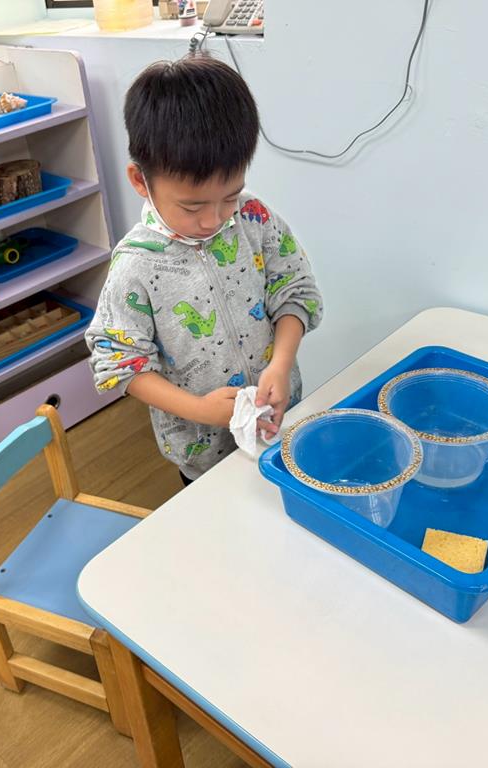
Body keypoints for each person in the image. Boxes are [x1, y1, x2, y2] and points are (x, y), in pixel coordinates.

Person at [85, 54, 323, 484]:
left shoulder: (253, 218)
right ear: (140, 181)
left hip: (280, 420)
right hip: (202, 455)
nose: (214, 220)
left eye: (229, 196)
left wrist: (282, 363)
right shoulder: (135, 265)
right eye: (192, 206)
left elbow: (295, 291)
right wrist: (200, 410)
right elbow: (120, 362)